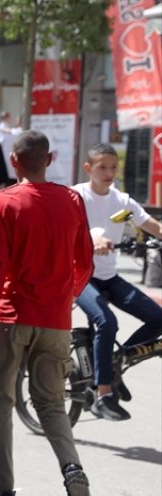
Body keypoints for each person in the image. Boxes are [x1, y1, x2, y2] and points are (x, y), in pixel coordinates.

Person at [0, 130, 96, 496]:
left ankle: (5, 492)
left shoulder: (0, 202)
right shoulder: (72, 200)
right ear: (50, 158)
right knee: (51, 404)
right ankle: (72, 470)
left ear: (14, 161)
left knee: (0, 401)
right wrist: (65, 297)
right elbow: (85, 263)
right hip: (56, 319)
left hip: (12, 317)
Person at [71, 144, 162, 421]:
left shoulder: (121, 201)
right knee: (107, 321)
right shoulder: (75, 196)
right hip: (80, 276)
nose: (109, 173)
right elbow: (60, 231)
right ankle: (103, 393)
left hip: (109, 276)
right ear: (89, 168)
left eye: (113, 167)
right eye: (102, 167)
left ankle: (114, 362)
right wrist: (91, 239)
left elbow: (152, 226)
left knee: (158, 318)